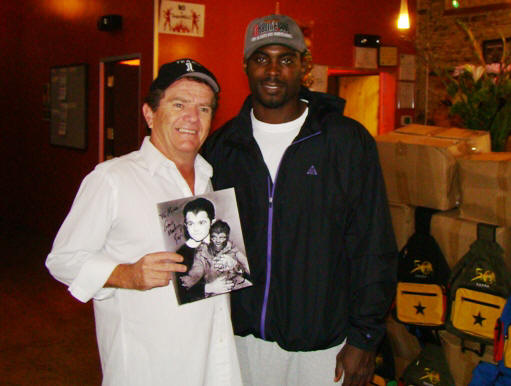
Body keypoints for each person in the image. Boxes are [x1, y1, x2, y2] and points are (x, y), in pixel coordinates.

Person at [201, 14, 398, 386]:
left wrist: (365, 338)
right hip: (241, 340)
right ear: (246, 65)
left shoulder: (346, 141)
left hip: (325, 346)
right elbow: (209, 248)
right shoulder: (222, 147)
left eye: (286, 59)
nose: (273, 70)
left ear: (303, 67)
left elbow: (374, 244)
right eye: (262, 59)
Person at [46, 59, 242, 386]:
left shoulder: (210, 181)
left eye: (204, 109)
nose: (192, 118)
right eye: (179, 104)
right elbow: (63, 259)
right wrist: (128, 274)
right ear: (149, 114)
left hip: (212, 361)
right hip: (148, 369)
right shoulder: (113, 179)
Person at [181, 219, 252, 296]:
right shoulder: (202, 253)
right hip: (217, 291)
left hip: (238, 285)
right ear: (210, 237)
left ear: (227, 237)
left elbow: (248, 268)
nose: (218, 241)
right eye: (214, 237)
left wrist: (236, 265)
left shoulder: (231, 247)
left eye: (221, 237)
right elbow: (196, 273)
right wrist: (190, 280)